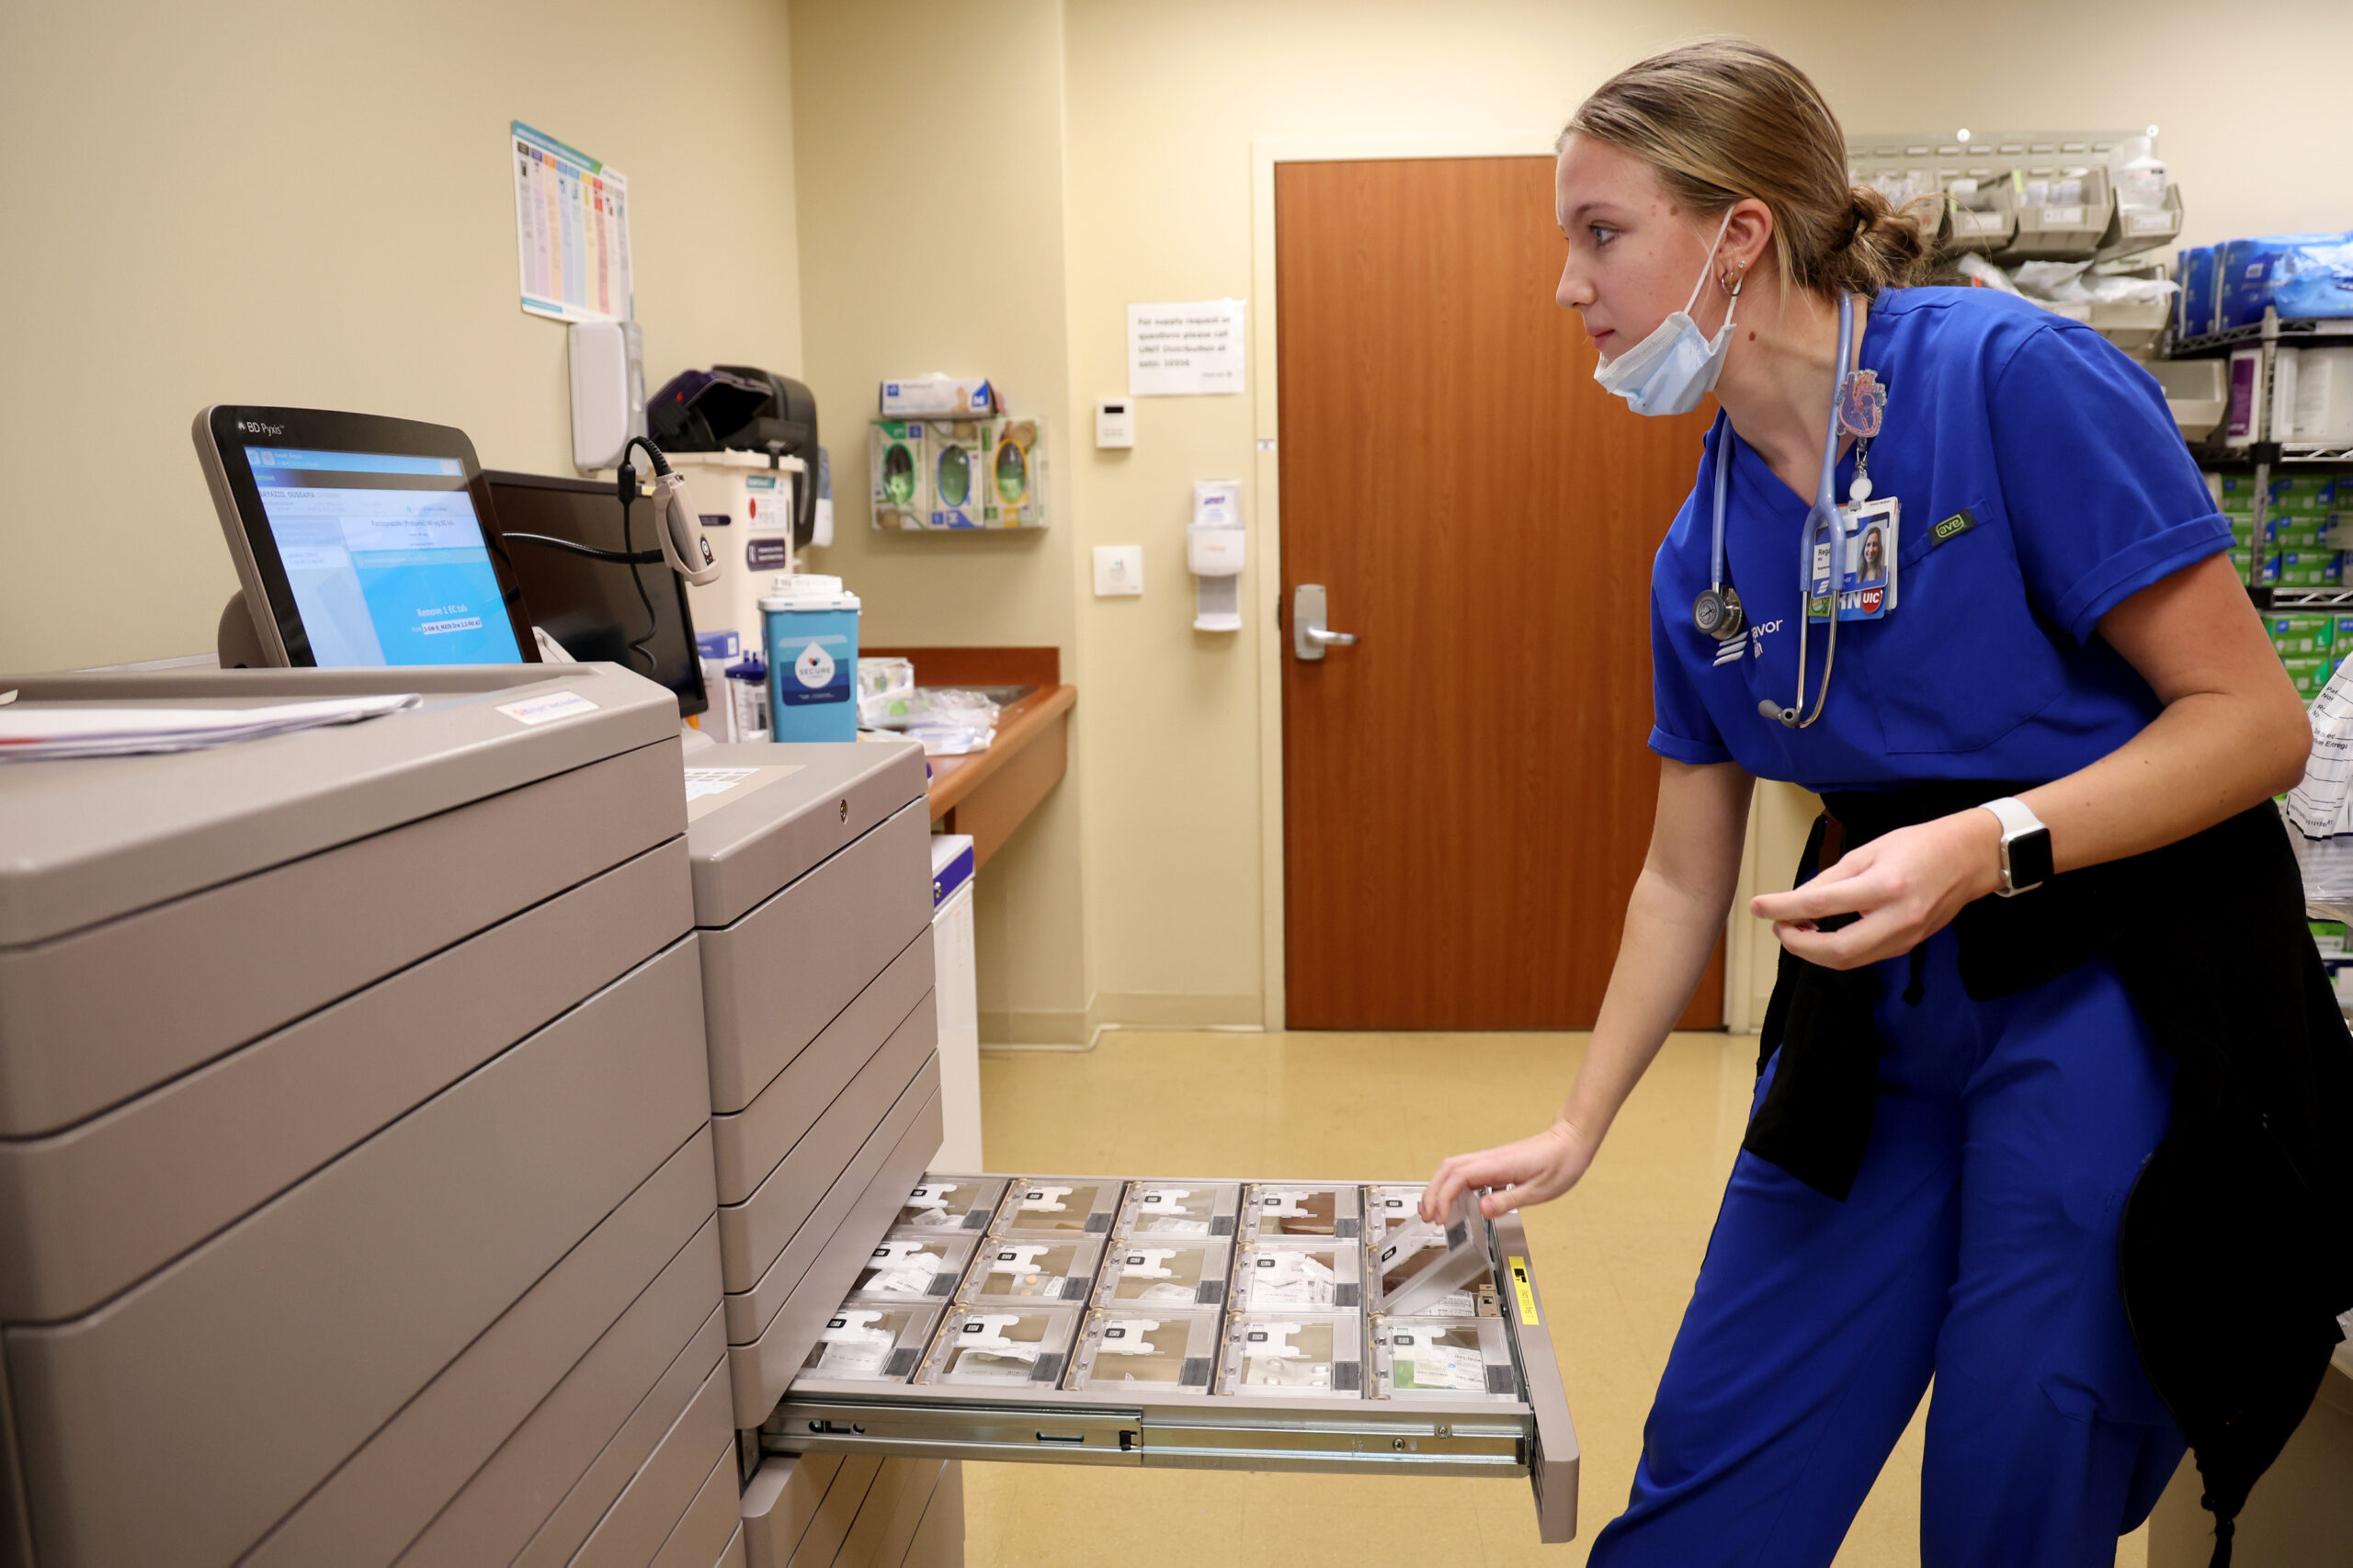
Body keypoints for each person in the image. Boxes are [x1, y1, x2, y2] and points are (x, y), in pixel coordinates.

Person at [1420, 39, 2349, 1568]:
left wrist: (1990, 844)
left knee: (2016, 1475)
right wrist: (1581, 1120)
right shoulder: (1701, 548)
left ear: (1737, 236)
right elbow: (1679, 880)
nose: (1569, 289)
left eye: (1601, 234)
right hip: (1878, 1010)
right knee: (1711, 1479)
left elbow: (2252, 725)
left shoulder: (2009, 383)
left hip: (2105, 982)